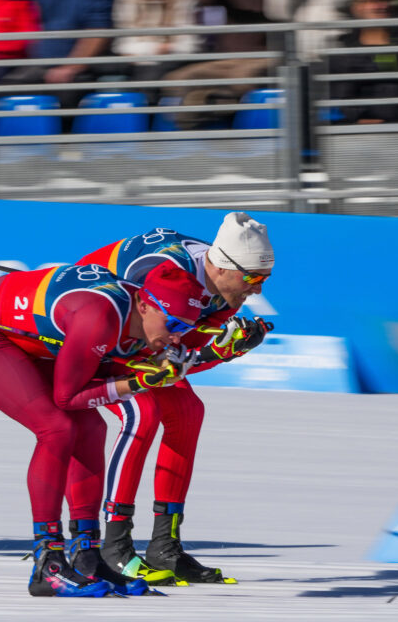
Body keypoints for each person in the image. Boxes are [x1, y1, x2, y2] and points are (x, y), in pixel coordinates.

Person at [0, 261, 208, 597]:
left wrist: (187, 360)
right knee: (57, 428)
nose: (175, 337)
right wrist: (138, 382)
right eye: (171, 324)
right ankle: (47, 562)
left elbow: (115, 374)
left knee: (91, 428)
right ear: (143, 304)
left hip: (33, 340)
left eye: (183, 328)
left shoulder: (142, 322)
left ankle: (87, 554)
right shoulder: (101, 317)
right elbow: (67, 397)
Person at [77, 214, 272, 585]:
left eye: (264, 280)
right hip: (95, 336)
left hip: (136, 340)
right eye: (253, 279)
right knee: (143, 412)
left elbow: (177, 361)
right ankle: (114, 545)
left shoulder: (224, 292)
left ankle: (164, 544)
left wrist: (222, 351)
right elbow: (144, 349)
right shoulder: (166, 272)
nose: (258, 291)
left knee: (187, 410)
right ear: (222, 266)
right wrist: (212, 351)